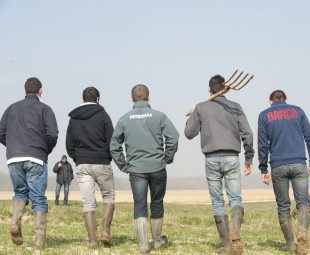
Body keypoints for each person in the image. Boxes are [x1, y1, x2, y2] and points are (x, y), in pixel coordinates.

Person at [185, 75, 254, 255]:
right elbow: (247, 133)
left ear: (209, 89)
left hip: (211, 158)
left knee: (217, 202)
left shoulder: (201, 107)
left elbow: (188, 133)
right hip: (232, 157)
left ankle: (226, 245)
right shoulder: (236, 107)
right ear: (225, 88)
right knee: (235, 198)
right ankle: (236, 231)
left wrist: (192, 114)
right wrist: (248, 158)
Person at [110, 84, 179, 255]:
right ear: (149, 97)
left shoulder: (124, 119)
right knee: (157, 202)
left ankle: (143, 246)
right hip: (157, 166)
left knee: (139, 204)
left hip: (136, 169)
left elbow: (113, 146)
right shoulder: (159, 116)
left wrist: (124, 165)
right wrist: (167, 157)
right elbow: (174, 137)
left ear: (132, 98)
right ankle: (156, 241)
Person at [0, 77, 58, 252]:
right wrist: (43, 150)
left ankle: (15, 221)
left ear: (25, 90)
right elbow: (53, 134)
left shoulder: (11, 108)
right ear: (40, 91)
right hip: (36, 157)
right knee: (38, 197)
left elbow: (1, 133)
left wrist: (13, 147)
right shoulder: (45, 109)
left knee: (20, 192)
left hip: (14, 157)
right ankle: (38, 244)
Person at [257, 90, 310, 255]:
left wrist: (263, 168)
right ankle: (303, 231)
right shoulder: (298, 111)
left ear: (270, 101)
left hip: (278, 166)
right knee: (303, 202)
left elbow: (262, 144)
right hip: (298, 163)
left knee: (283, 205)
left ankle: (290, 243)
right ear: (286, 99)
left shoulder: (264, 116)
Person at [66, 86, 115, 247]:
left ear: (83, 99)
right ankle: (105, 232)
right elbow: (111, 140)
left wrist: (78, 158)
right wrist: (107, 157)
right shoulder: (103, 115)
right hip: (102, 162)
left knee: (88, 201)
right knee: (108, 195)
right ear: (98, 99)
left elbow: (69, 144)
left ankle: (93, 240)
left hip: (83, 164)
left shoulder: (73, 118)